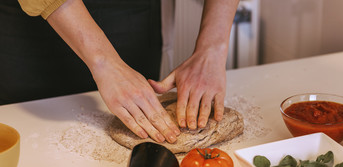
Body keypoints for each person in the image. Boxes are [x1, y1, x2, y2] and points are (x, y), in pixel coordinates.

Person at [2, 0, 239, 143]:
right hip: (35, 22)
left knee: (140, 124)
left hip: (131, 12)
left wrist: (213, 46)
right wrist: (103, 61)